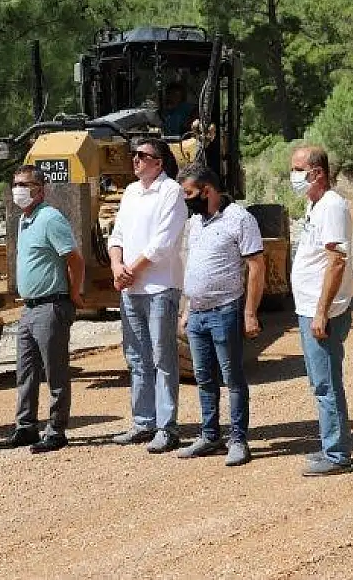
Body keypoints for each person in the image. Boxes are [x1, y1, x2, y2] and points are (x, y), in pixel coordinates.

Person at [175, 164, 265, 467]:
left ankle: (238, 440)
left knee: (232, 378)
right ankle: (210, 435)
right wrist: (187, 308)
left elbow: (256, 266)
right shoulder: (195, 223)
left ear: (207, 190)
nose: (187, 200)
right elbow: (193, 266)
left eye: (189, 193)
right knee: (203, 378)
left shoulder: (240, 219)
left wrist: (249, 313)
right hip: (198, 313)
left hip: (226, 310)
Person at [0, 166, 85, 453]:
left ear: (40, 189)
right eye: (15, 184)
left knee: (55, 371)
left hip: (51, 305)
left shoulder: (50, 218)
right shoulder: (24, 220)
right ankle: (26, 426)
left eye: (25, 184)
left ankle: (56, 429)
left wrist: (72, 294)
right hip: (30, 308)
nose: (18, 189)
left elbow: (74, 260)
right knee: (26, 371)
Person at [108, 137, 188, 453]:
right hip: (130, 288)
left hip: (159, 288)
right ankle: (144, 422)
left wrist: (130, 270)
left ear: (159, 162)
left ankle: (167, 428)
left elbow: (162, 243)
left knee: (163, 358)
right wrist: (116, 265)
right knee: (136, 356)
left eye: (143, 155)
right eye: (134, 155)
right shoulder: (130, 192)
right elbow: (117, 235)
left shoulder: (171, 192)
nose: (136, 159)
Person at [289, 146, 353, 476]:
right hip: (310, 308)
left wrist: (321, 312)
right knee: (321, 382)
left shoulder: (331, 206)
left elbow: (336, 261)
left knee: (327, 384)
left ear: (317, 173)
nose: (293, 176)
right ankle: (332, 445)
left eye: (298, 169)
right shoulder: (315, 205)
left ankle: (337, 453)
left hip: (322, 312)